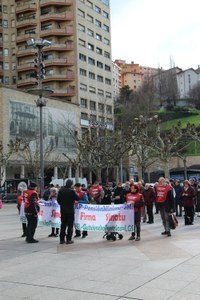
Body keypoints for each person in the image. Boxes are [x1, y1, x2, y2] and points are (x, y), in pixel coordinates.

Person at [57, 179, 79, 244]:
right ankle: (68, 239)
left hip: (63, 210)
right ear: (71, 184)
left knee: (63, 225)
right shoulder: (72, 191)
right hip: (70, 211)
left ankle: (61, 239)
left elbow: (58, 200)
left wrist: (63, 204)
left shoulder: (61, 190)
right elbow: (77, 198)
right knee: (70, 225)